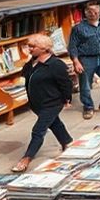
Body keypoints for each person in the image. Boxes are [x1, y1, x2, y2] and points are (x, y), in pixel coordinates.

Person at [12, 34, 73, 172]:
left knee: (38, 130)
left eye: (33, 46)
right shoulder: (31, 63)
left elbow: (65, 83)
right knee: (54, 123)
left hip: (52, 103)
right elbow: (25, 77)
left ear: (44, 49)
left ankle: (26, 158)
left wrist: (66, 99)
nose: (29, 49)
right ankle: (67, 142)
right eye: (29, 46)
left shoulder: (56, 64)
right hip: (37, 104)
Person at [68, 3, 100, 119]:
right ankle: (88, 107)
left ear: (99, 12)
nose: (93, 14)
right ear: (85, 12)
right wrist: (76, 61)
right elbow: (72, 46)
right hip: (86, 59)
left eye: (96, 11)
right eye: (90, 11)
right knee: (85, 85)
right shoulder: (78, 28)